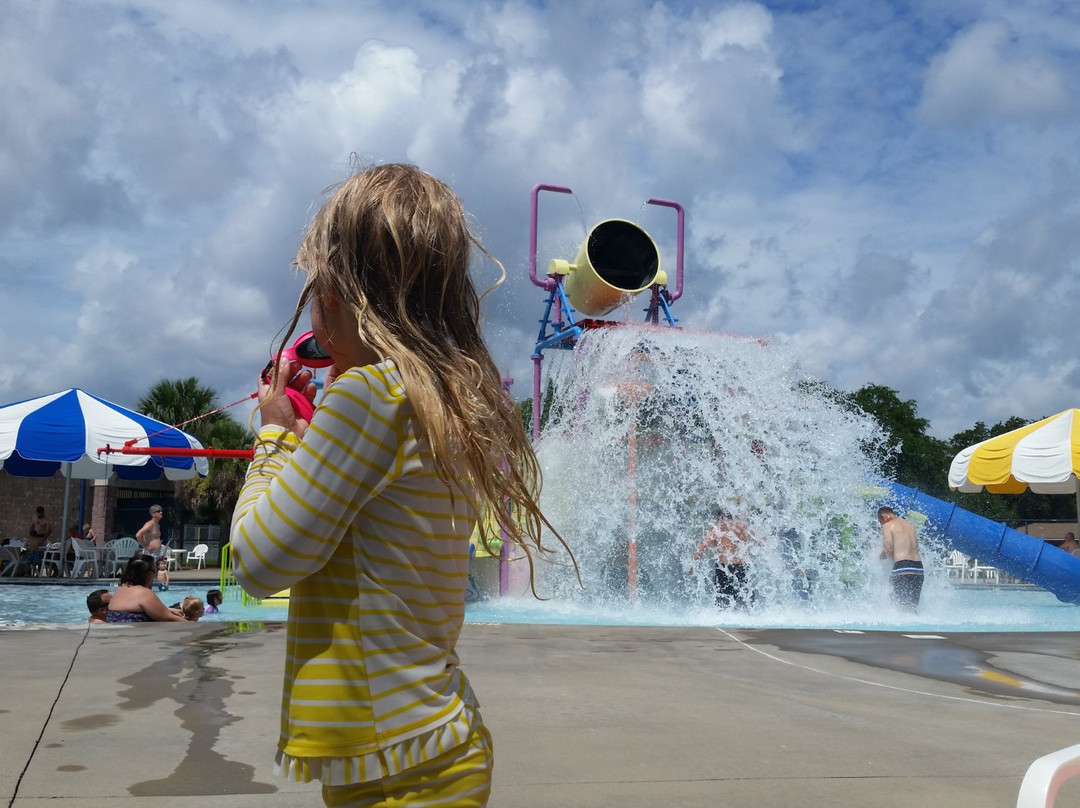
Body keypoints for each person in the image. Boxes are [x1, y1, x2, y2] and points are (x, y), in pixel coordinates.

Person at [230, 164, 568, 808]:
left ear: (342, 289)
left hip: (399, 770)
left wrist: (274, 436)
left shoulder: (367, 398)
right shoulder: (433, 401)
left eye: (314, 282)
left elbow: (258, 563)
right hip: (421, 752)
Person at [693, 509, 756, 608]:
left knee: (725, 603)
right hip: (735, 568)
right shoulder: (741, 528)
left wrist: (693, 564)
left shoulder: (717, 530)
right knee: (744, 602)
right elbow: (761, 540)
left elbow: (701, 549)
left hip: (728, 568)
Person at [106, 555, 188, 623]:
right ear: (148, 574)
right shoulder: (144, 593)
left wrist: (168, 610)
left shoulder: (120, 589)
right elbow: (170, 619)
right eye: (154, 570)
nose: (155, 575)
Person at [878, 506, 923, 611]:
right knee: (912, 608)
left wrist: (880, 557)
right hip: (918, 568)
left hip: (902, 568)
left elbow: (888, 550)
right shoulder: (909, 524)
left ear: (883, 516)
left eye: (880, 521)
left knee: (898, 606)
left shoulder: (888, 525)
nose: (881, 524)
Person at [26, 505, 53, 575]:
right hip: (34, 537)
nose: (39, 515)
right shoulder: (34, 518)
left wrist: (43, 539)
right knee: (28, 553)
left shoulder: (46, 521)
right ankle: (28, 572)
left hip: (41, 538)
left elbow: (49, 530)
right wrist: (30, 537)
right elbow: (31, 527)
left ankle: (38, 572)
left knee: (39, 555)